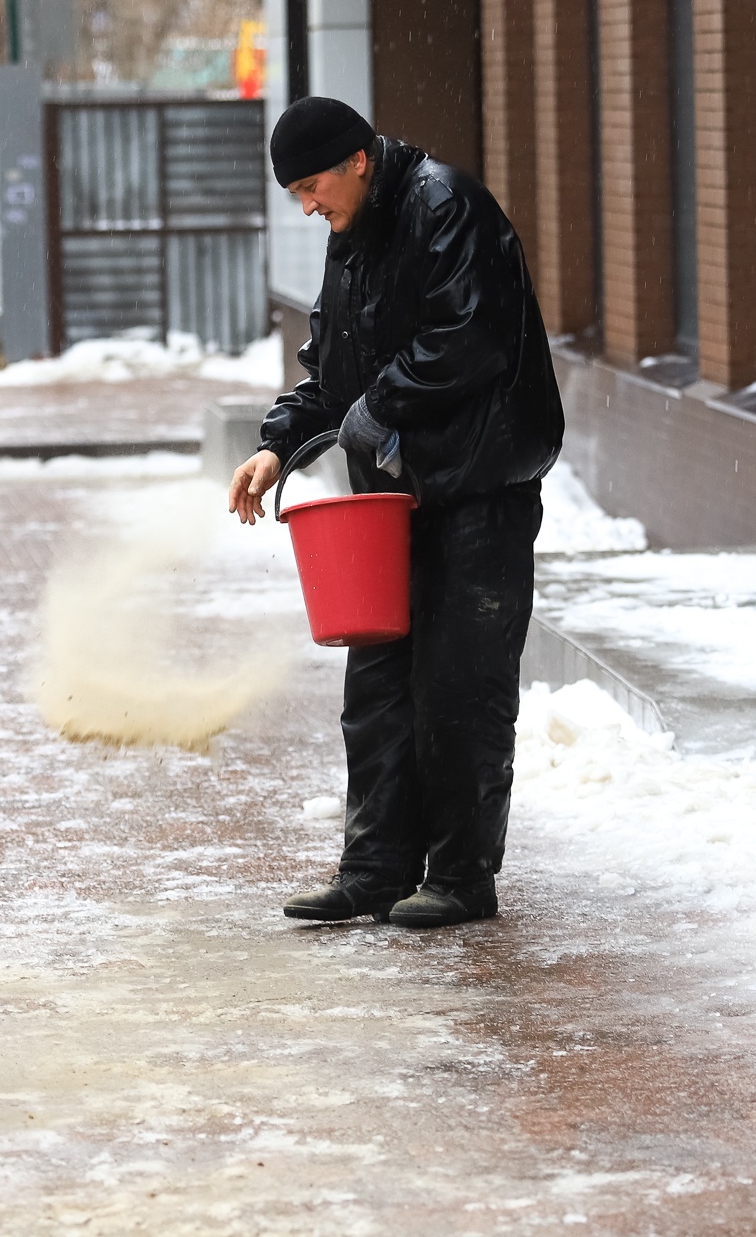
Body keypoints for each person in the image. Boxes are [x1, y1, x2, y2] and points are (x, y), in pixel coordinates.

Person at [228, 97, 565, 930]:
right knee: (377, 688)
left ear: (358, 160)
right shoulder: (353, 241)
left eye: (312, 186)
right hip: (390, 500)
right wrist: (280, 443)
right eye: (295, 194)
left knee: (461, 688)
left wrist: (382, 405)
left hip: (476, 490)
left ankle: (459, 878)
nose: (308, 207)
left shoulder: (444, 204)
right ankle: (375, 870)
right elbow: (332, 371)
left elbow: (469, 336)